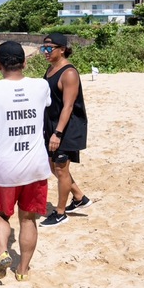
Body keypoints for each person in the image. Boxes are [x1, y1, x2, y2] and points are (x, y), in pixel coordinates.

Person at [0, 42, 51, 282]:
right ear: (24, 62)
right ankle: (23, 270)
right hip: (36, 165)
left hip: (6, 167)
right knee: (28, 218)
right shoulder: (41, 86)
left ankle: (4, 251)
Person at [39, 33, 91, 227]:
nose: (44, 52)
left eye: (48, 48)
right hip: (52, 125)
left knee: (60, 168)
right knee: (53, 166)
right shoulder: (51, 69)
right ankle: (79, 197)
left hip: (66, 128)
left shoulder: (68, 73)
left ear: (62, 49)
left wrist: (58, 133)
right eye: (43, 48)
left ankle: (60, 213)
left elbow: (68, 106)